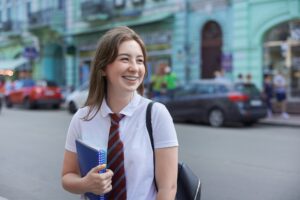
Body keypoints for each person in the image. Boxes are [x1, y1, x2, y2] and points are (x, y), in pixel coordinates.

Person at [61, 26, 178, 200]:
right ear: (102, 68)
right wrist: (86, 184)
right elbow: (67, 176)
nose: (134, 68)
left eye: (140, 61)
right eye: (125, 59)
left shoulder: (156, 114)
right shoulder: (82, 118)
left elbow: (168, 188)